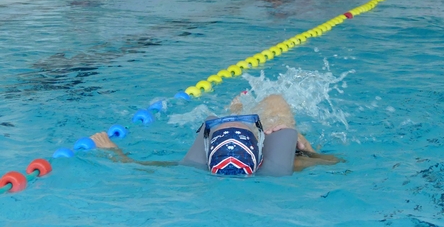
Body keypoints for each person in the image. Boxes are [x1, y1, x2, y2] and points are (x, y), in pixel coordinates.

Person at [89, 93, 341, 176]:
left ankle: (235, 110)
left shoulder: (193, 166)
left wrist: (114, 151)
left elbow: (140, 167)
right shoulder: (293, 163)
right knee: (277, 106)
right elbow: (337, 161)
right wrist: (307, 150)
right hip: (279, 141)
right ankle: (238, 111)